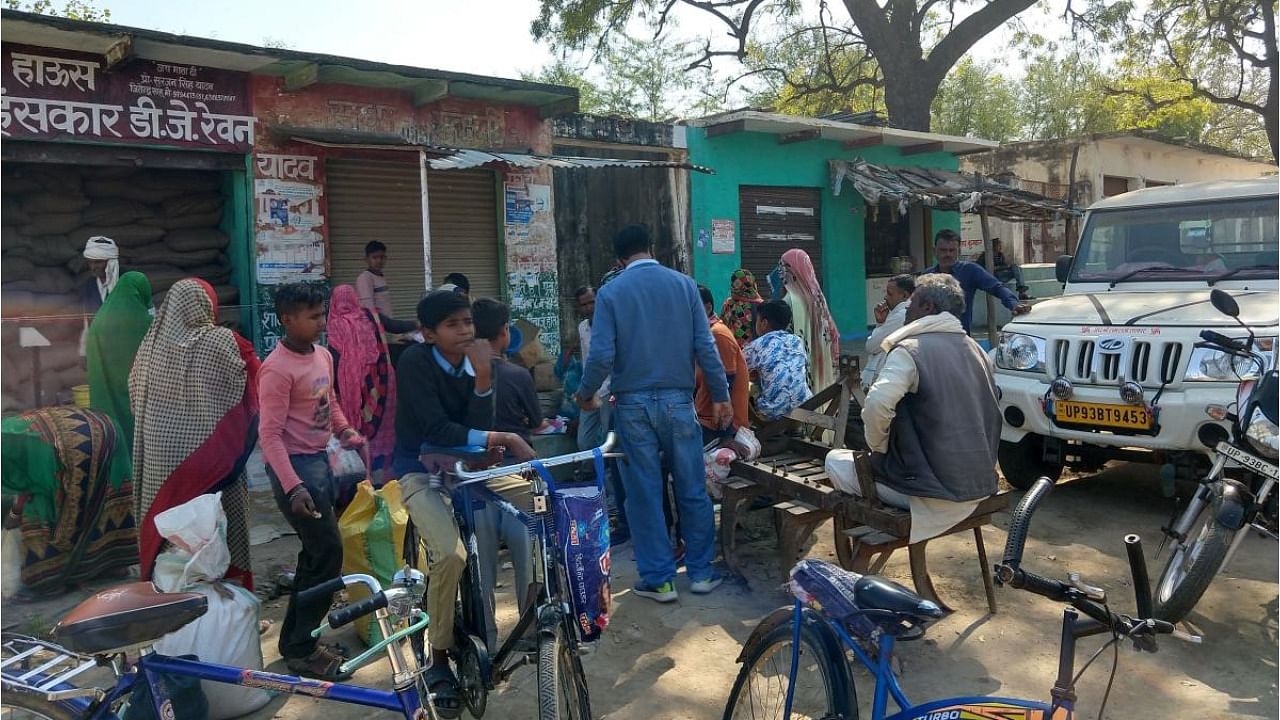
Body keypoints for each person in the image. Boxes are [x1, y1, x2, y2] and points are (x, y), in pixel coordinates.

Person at [393, 290, 536, 715]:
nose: (465, 331)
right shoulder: (415, 363)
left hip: (469, 467)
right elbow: (437, 426)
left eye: (468, 323)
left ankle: (539, 615)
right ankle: (437, 658)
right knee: (451, 556)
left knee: (542, 501)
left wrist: (483, 381)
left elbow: (476, 425)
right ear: (428, 333)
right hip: (421, 469)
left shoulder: (478, 363)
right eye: (453, 325)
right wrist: (504, 438)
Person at [576, 224, 731, 603]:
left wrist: (584, 394)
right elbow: (704, 347)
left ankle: (660, 580)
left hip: (632, 405)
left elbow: (601, 356)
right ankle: (701, 573)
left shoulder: (611, 293)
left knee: (644, 493)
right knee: (692, 488)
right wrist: (721, 395)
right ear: (652, 247)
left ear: (618, 259)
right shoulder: (684, 285)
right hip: (680, 402)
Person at [257, 283, 366, 681]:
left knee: (316, 556)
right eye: (313, 316)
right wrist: (293, 487)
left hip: (320, 463)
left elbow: (330, 401)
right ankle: (301, 648)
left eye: (322, 314)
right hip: (296, 471)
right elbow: (269, 436)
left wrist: (346, 431)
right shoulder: (276, 369)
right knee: (327, 555)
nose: (322, 322)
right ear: (288, 320)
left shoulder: (322, 356)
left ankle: (298, 641)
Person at [130, 279, 260, 591]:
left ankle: (172, 606)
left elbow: (135, 398)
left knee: (171, 539)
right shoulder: (224, 342)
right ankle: (225, 609)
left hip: (162, 468)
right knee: (221, 534)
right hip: (215, 466)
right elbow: (256, 385)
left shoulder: (148, 349)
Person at [859, 273, 1000, 543]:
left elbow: (876, 405)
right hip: (980, 485)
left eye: (912, 303)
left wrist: (878, 447)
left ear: (928, 308)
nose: (907, 309)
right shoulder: (978, 351)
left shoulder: (910, 350)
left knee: (836, 463)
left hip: (929, 495)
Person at [2, 407, 136, 598]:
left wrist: (15, 514)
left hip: (80, 443)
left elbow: (31, 485)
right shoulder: (11, 435)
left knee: (47, 517)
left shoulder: (12, 446)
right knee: (104, 503)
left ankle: (49, 580)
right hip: (103, 428)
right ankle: (111, 567)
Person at [470, 297, 537, 650]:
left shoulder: (461, 374)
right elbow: (538, 421)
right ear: (503, 333)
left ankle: (486, 640)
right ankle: (528, 633)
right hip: (516, 476)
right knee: (527, 555)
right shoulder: (517, 374)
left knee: (481, 565)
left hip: (475, 478)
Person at [327, 285, 417, 481]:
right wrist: (418, 324)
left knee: (359, 426)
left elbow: (334, 358)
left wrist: (337, 389)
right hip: (382, 381)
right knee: (386, 426)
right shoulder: (370, 315)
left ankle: (364, 473)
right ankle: (387, 473)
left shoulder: (334, 325)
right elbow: (394, 325)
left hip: (355, 389)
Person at [574, 283, 628, 544]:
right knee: (585, 442)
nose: (588, 308)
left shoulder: (612, 322)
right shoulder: (583, 328)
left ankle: (612, 505)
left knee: (610, 447)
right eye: (583, 304)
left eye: (591, 302)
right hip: (590, 389)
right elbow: (588, 360)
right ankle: (597, 492)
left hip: (610, 391)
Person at [86, 271, 152, 452]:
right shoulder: (148, 323)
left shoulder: (99, 321)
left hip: (106, 391)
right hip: (140, 397)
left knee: (112, 434)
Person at [925, 229, 1031, 333]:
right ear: (934, 251)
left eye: (952, 250)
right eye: (943, 250)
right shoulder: (927, 277)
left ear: (959, 251)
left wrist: (1013, 304)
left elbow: (996, 287)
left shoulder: (969, 270)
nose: (948, 254)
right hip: (929, 336)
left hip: (959, 337)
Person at [779, 248, 840, 393]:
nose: (780, 272)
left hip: (801, 368)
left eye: (783, 266)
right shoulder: (817, 297)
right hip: (821, 362)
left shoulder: (790, 301)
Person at [744, 300, 814, 421]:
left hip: (773, 411)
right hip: (806, 406)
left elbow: (738, 369)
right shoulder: (797, 341)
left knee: (746, 387)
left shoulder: (756, 346)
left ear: (764, 323)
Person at [697, 285, 750, 441]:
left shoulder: (717, 334)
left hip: (719, 424)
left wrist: (726, 436)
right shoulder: (705, 333)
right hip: (706, 417)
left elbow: (727, 382)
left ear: (707, 308)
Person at [861, 274, 914, 390]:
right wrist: (881, 323)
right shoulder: (898, 313)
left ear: (904, 295)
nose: (885, 297)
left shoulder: (901, 316)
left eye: (890, 294)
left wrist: (880, 327)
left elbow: (871, 346)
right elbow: (883, 344)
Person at [78, 235, 122, 356]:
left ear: (111, 262)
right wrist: (83, 352)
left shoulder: (126, 283)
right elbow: (87, 322)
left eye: (98, 262)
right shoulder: (89, 286)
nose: (93, 267)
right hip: (98, 350)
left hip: (124, 348)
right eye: (90, 262)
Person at [719, 269, 764, 348]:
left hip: (731, 349)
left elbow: (722, 325)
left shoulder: (728, 303)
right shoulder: (760, 305)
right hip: (754, 350)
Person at [355, 241, 394, 319]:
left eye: (382, 257)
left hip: (386, 325)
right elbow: (368, 309)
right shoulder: (365, 278)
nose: (379, 261)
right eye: (374, 257)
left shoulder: (379, 276)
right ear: (366, 259)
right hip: (375, 327)